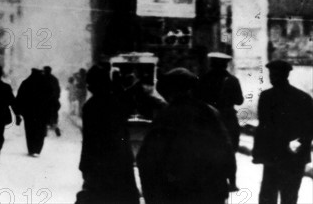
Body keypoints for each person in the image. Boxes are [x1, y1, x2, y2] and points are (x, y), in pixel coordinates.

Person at [137, 68, 235, 204]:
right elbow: (225, 147)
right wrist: (230, 178)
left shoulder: (166, 115)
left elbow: (146, 158)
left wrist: (151, 195)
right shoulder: (209, 113)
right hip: (209, 189)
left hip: (176, 190)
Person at [76, 66, 140, 204]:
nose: (88, 87)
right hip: (121, 163)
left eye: (90, 83)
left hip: (98, 166)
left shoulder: (90, 106)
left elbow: (88, 141)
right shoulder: (118, 102)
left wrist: (84, 165)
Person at [253, 60, 313, 204]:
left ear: (284, 75)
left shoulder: (267, 97)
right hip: (290, 156)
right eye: (271, 74)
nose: (272, 77)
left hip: (277, 155)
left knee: (271, 196)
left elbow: (263, 127)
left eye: (274, 75)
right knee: (288, 196)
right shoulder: (303, 97)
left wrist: (258, 152)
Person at [196, 52, 244, 191]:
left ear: (211, 63)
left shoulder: (204, 79)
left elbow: (198, 97)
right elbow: (239, 101)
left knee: (210, 149)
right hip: (228, 119)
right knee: (230, 151)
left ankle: (213, 180)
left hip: (208, 118)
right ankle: (232, 182)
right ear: (226, 64)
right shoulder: (232, 80)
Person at [16, 68, 50, 157]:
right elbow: (51, 98)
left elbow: (19, 97)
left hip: (29, 112)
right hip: (42, 112)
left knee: (30, 131)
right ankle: (37, 149)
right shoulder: (45, 84)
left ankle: (31, 149)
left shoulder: (26, 83)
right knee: (40, 131)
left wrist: (18, 112)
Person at [43, 66, 62, 136]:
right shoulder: (54, 79)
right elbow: (58, 90)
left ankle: (45, 130)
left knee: (44, 116)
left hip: (44, 102)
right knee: (54, 116)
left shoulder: (42, 79)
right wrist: (56, 98)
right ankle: (56, 128)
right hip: (53, 101)